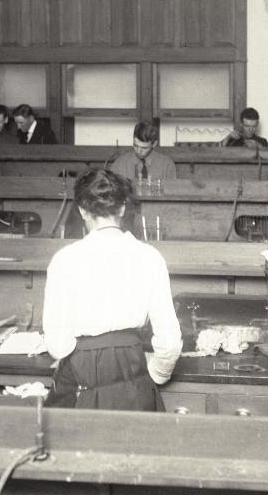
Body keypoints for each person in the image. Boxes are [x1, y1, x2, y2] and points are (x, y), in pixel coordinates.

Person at [42, 169, 182, 411]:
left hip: (80, 373)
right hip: (133, 368)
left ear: (82, 211)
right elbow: (169, 342)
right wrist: (156, 374)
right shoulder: (150, 257)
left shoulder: (64, 259)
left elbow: (57, 344)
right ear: (122, 209)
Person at [110, 121, 177, 182]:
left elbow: (171, 193)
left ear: (154, 144)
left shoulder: (167, 165)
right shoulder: (119, 164)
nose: (139, 151)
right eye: (135, 146)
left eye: (144, 148)